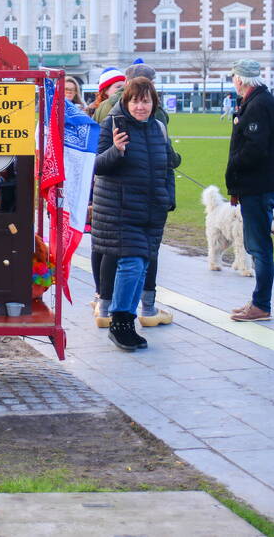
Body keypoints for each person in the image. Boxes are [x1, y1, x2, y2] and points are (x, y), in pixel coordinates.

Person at [92, 77, 176, 351]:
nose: (141, 107)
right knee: (132, 264)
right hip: (121, 209)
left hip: (151, 211)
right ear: (126, 102)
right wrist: (116, 150)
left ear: (154, 103)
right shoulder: (112, 125)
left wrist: (168, 200)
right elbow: (97, 166)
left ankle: (125, 323)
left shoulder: (158, 129)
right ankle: (119, 321)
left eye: (146, 100)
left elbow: (166, 168)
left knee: (140, 268)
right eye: (136, 100)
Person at [226, 59, 274, 322]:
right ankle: (259, 301)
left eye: (234, 79)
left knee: (259, 247)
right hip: (258, 185)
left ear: (239, 80)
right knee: (257, 245)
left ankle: (261, 304)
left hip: (257, 187)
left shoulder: (259, 105)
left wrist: (233, 164)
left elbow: (254, 148)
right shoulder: (261, 101)